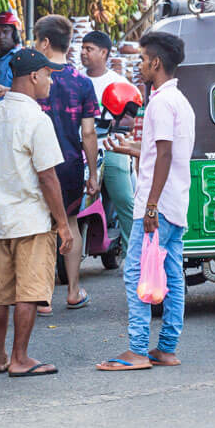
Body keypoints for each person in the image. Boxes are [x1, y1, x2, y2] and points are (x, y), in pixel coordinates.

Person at [97, 31, 195, 372]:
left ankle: (138, 350)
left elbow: (165, 154)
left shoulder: (161, 103)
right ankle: (165, 347)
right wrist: (127, 148)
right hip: (175, 203)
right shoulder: (179, 101)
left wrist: (151, 205)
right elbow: (161, 152)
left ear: (155, 63)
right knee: (171, 274)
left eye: (142, 59)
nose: (139, 65)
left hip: (158, 206)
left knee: (137, 273)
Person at [0, 48, 75, 377]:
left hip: (0, 218)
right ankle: (20, 358)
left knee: (1, 291)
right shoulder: (36, 118)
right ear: (33, 76)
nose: (50, 81)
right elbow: (48, 177)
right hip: (31, 217)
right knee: (29, 291)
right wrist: (63, 225)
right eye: (47, 75)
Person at [33, 15, 99, 313]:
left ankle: (42, 297)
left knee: (42, 228)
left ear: (45, 42)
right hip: (70, 164)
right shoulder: (82, 82)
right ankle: (73, 291)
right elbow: (88, 132)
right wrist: (93, 173)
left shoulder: (32, 77)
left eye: (36, 40)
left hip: (36, 164)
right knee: (70, 223)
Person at [80, 31, 136, 258]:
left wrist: (116, 122)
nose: (83, 52)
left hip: (111, 147)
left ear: (104, 52)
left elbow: (130, 120)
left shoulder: (118, 82)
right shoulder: (76, 79)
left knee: (125, 201)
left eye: (89, 49)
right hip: (80, 148)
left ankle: (134, 255)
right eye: (82, 48)